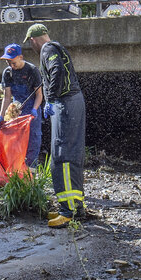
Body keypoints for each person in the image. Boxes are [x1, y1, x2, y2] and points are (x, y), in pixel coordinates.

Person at [24, 23, 86, 227]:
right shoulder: (57, 47)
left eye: (30, 43)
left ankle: (68, 211)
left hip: (65, 104)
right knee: (72, 154)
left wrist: (50, 99)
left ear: (33, 39)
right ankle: (77, 207)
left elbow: (57, 70)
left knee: (62, 156)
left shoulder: (47, 49)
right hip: (73, 102)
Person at [0, 43, 44, 168]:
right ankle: (16, 169)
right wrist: (1, 116)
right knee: (15, 140)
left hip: (32, 109)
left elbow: (39, 94)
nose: (11, 66)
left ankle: (31, 169)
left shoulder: (32, 70)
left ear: (20, 57)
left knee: (33, 140)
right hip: (16, 110)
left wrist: (34, 109)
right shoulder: (7, 73)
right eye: (8, 62)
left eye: (13, 63)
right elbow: (7, 97)